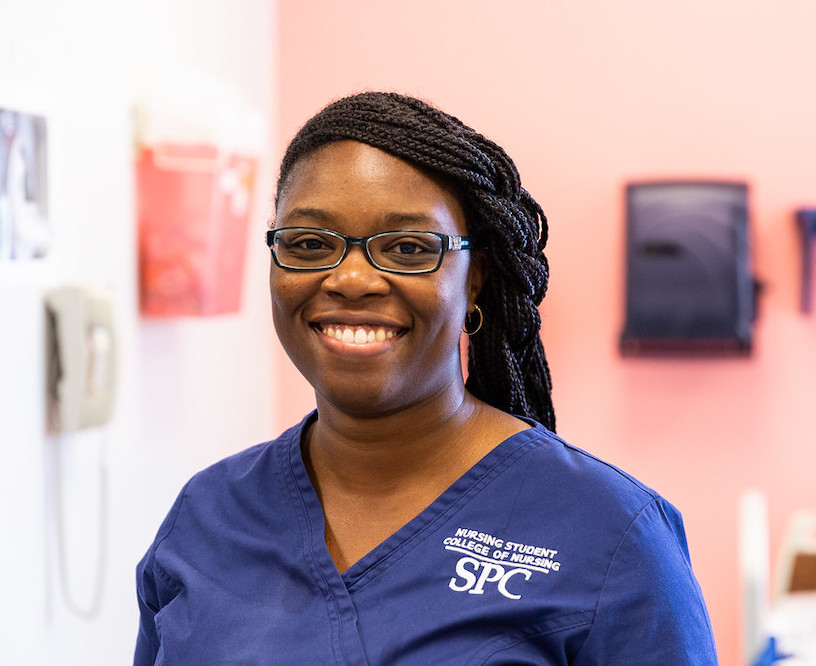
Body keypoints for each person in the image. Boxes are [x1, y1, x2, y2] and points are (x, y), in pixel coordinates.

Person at [134, 91, 718, 665]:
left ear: (474, 281)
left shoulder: (612, 533)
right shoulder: (208, 516)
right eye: (310, 244)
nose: (352, 279)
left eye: (409, 248)